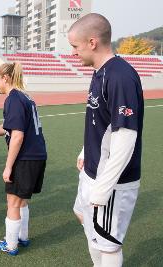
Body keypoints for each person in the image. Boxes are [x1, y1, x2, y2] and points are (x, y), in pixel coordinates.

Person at [68, 14, 144, 267]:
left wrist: (104, 187)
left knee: (108, 245)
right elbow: (101, 120)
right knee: (82, 215)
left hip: (111, 179)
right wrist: (84, 151)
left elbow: (125, 136)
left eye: (75, 47)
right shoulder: (99, 72)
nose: (73, 53)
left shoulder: (120, 76)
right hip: (92, 169)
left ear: (92, 42)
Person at [0, 62, 47, 256]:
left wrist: (8, 166)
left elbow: (17, 136)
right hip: (37, 156)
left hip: (25, 158)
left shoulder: (13, 99)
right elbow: (6, 126)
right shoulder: (25, 96)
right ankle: (22, 237)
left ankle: (11, 245)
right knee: (21, 201)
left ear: (5, 78)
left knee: (12, 202)